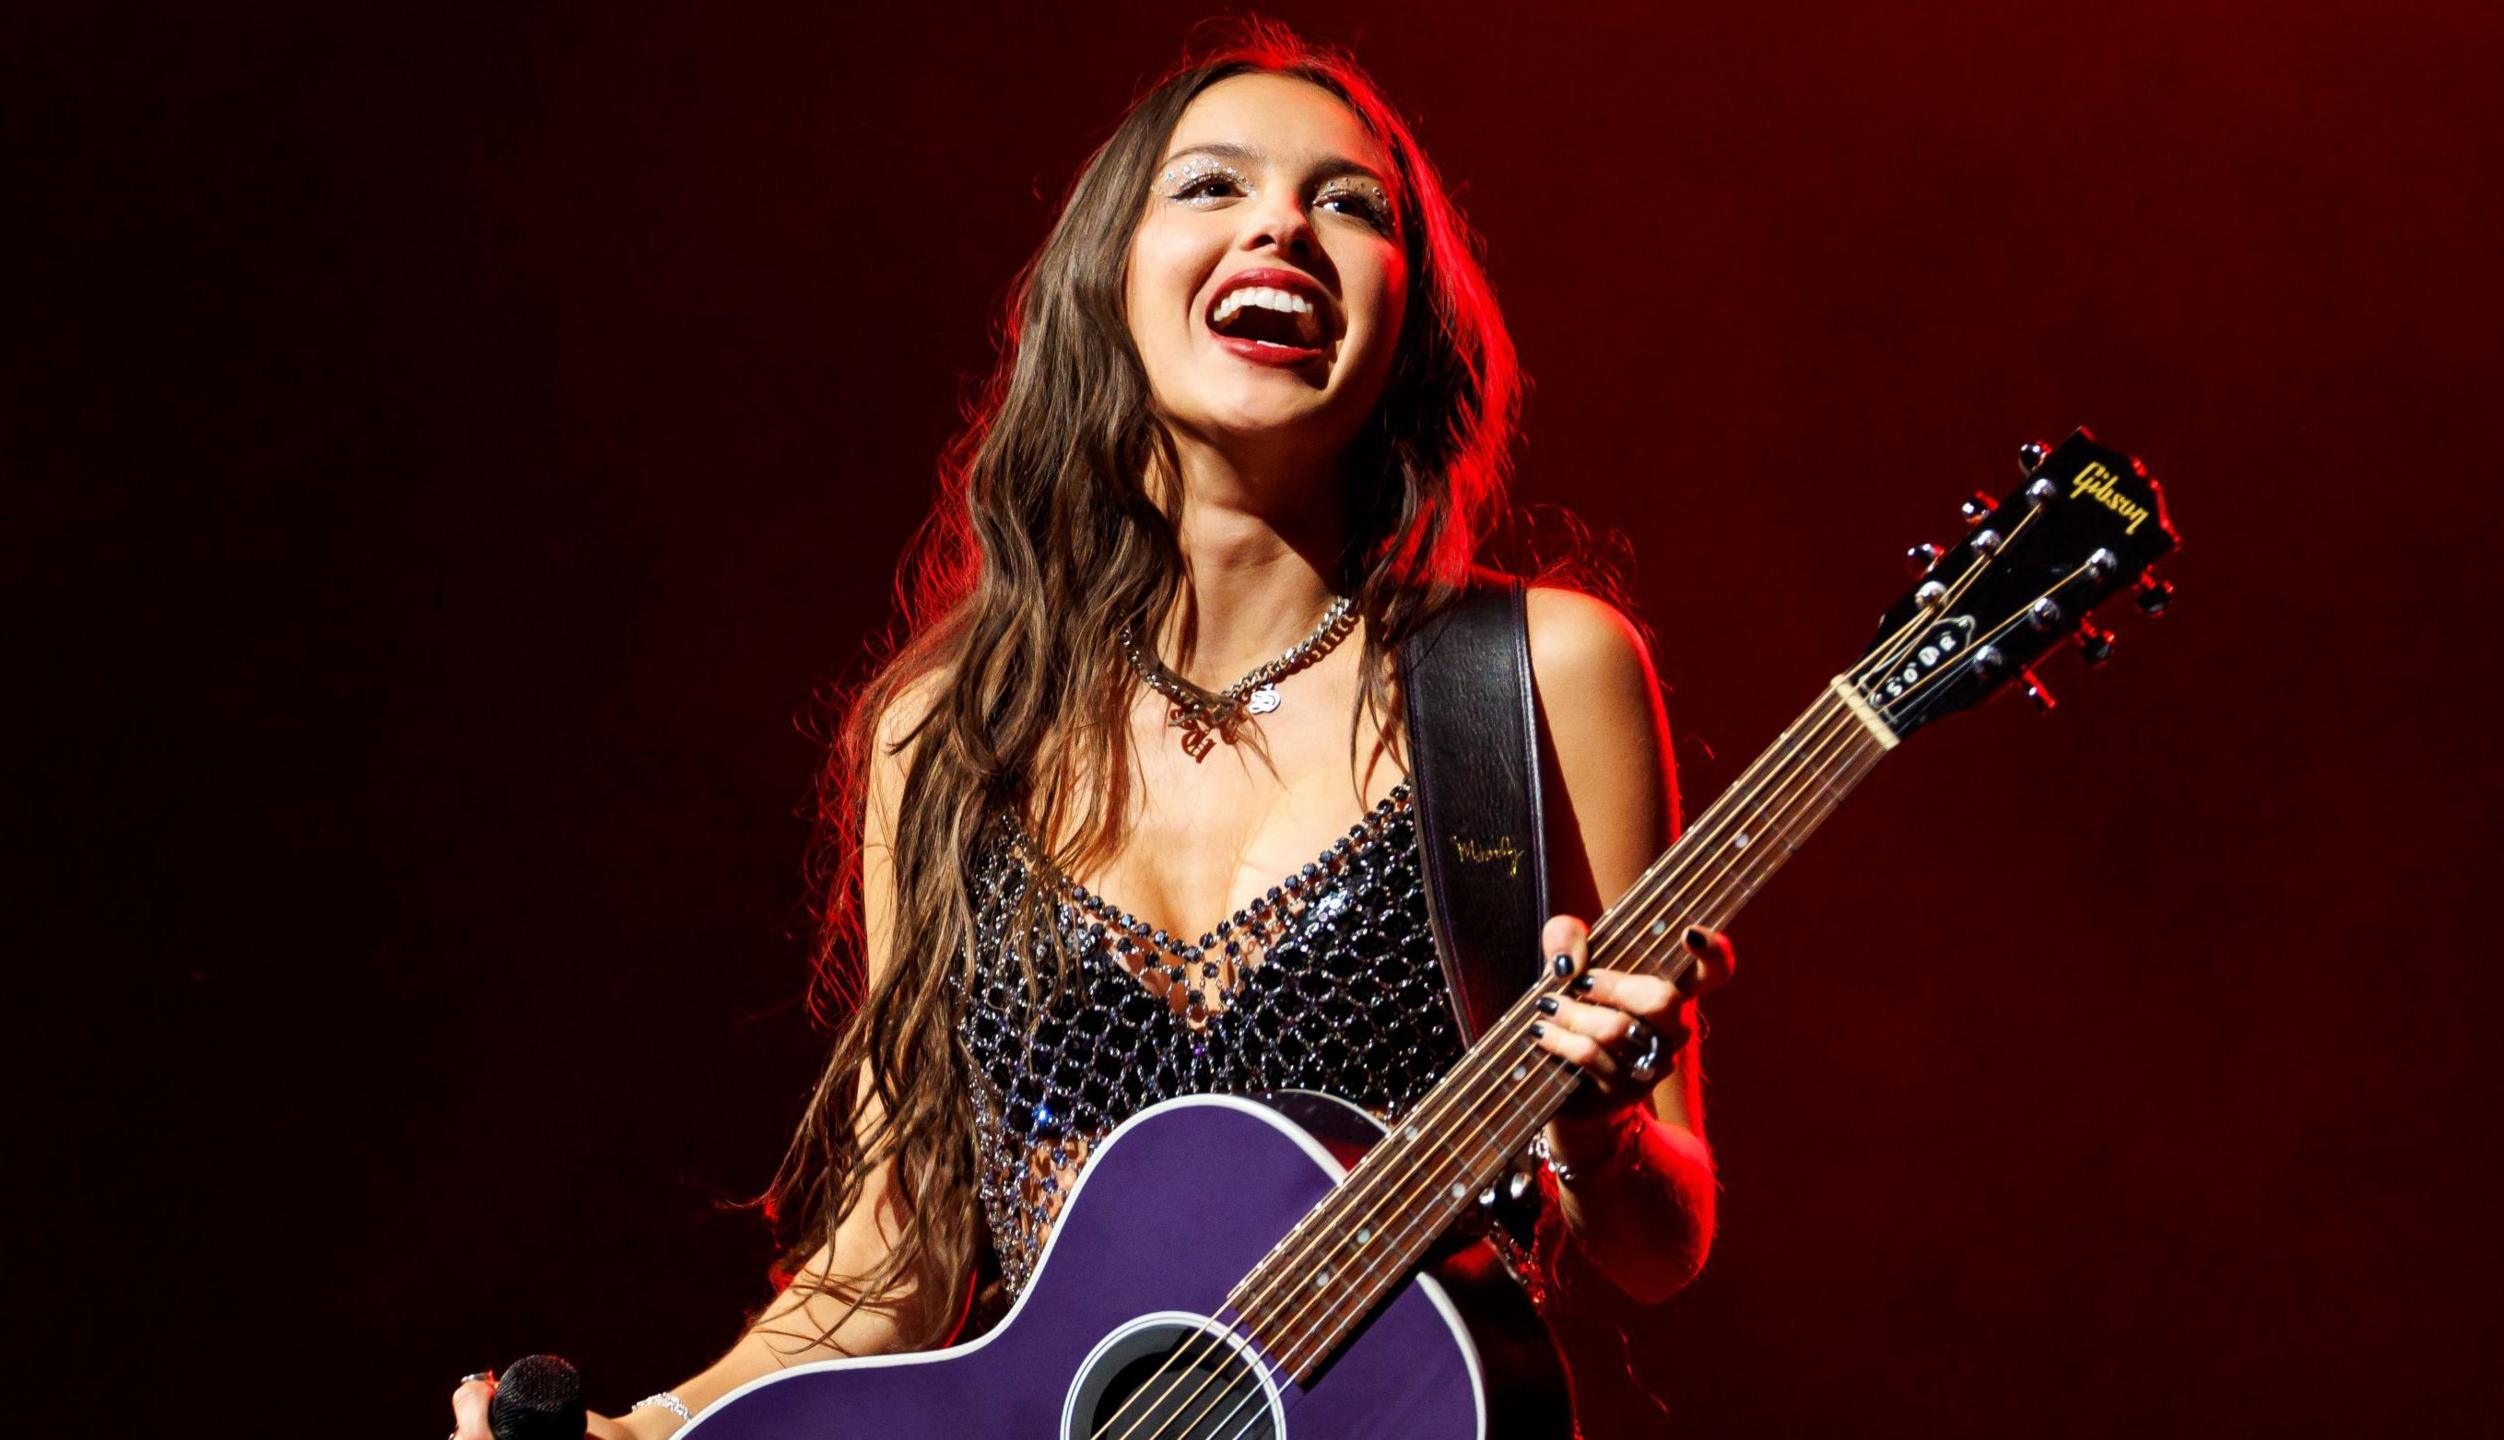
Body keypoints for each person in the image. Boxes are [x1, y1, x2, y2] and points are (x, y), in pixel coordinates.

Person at [453, 22, 1728, 1439]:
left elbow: (1657, 1244)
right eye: (1212, 187)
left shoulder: (1531, 676)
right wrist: (653, 1426)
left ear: (1408, 319)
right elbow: (894, 1251)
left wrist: (1603, 1127)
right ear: (1106, 283)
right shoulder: (948, 733)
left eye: (1350, 205)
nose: (1284, 227)